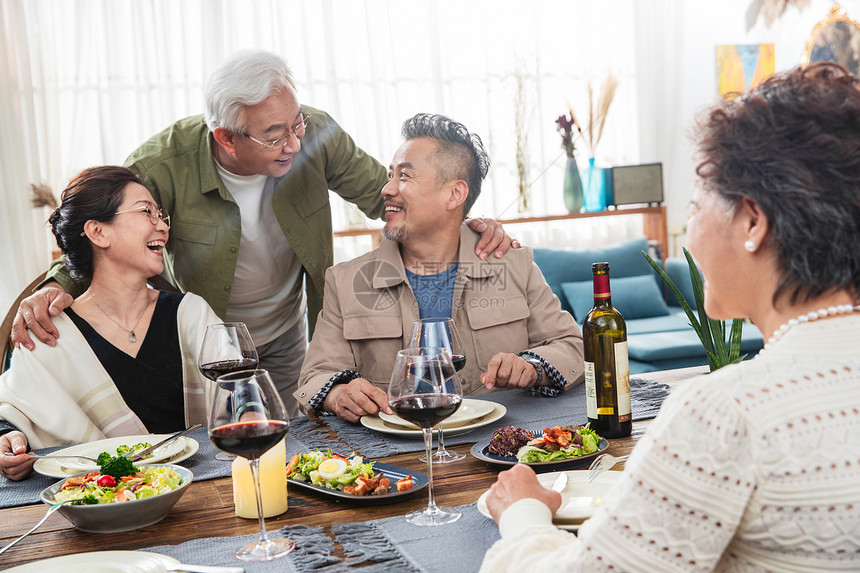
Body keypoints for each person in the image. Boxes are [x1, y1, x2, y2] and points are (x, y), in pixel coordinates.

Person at [479, 62, 860, 572]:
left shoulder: (726, 409)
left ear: (752, 221)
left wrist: (523, 513)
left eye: (698, 202)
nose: (690, 228)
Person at [10, 50, 515, 417]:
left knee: (300, 443)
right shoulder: (162, 163)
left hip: (290, 331)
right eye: (276, 135)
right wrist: (59, 285)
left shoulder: (315, 134)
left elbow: (391, 200)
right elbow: (106, 224)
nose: (294, 142)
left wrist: (469, 220)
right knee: (226, 445)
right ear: (225, 137)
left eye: (296, 123)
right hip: (208, 339)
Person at [296, 113, 583, 421]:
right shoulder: (346, 281)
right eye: (390, 176)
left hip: (500, 445)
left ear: (454, 194)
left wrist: (532, 366)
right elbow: (315, 376)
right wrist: (340, 393)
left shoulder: (513, 263)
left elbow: (571, 347)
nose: (387, 189)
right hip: (396, 456)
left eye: (404, 176)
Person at [0, 167, 219, 481]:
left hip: (201, 491)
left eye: (161, 214)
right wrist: (7, 441)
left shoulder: (192, 314)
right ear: (98, 233)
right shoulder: (52, 334)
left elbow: (242, 396)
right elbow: (10, 411)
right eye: (146, 212)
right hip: (97, 501)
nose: (162, 226)